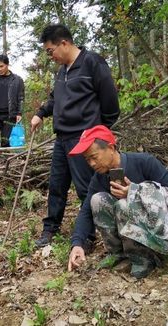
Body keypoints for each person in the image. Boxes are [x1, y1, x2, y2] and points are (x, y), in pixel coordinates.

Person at [31, 24, 120, 247]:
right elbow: (55, 98)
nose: (50, 56)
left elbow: (111, 103)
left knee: (85, 188)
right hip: (62, 139)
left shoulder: (92, 63)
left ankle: (88, 236)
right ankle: (50, 229)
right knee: (57, 185)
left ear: (64, 43)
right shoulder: (63, 71)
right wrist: (41, 113)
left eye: (50, 51)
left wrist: (96, 134)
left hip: (84, 140)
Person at [67, 125, 168, 278]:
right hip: (131, 231)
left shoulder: (144, 162)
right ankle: (118, 253)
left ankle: (143, 258)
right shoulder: (100, 177)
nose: (91, 164)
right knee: (97, 200)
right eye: (87, 159)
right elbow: (86, 211)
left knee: (123, 204)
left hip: (159, 231)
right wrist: (77, 244)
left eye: (94, 157)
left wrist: (135, 192)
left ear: (110, 148)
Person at [0, 54, 25, 147]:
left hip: (10, 115)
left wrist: (19, 113)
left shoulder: (17, 80)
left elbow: (21, 97)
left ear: (7, 65)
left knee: (5, 141)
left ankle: (5, 160)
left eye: (1, 66)